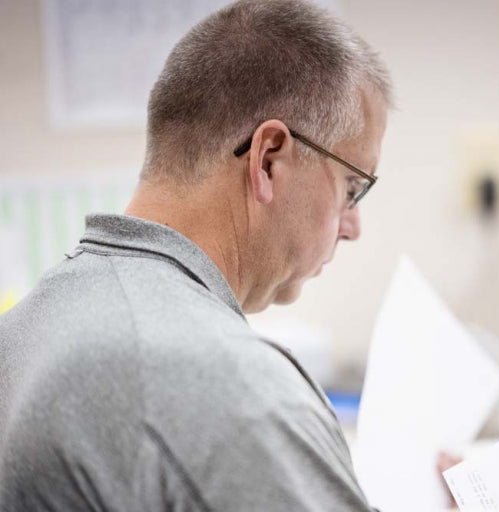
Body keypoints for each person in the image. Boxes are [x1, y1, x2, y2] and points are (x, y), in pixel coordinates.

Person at [0, 0, 397, 509]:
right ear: (269, 159)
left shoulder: (27, 326)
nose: (353, 226)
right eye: (351, 187)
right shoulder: (231, 390)